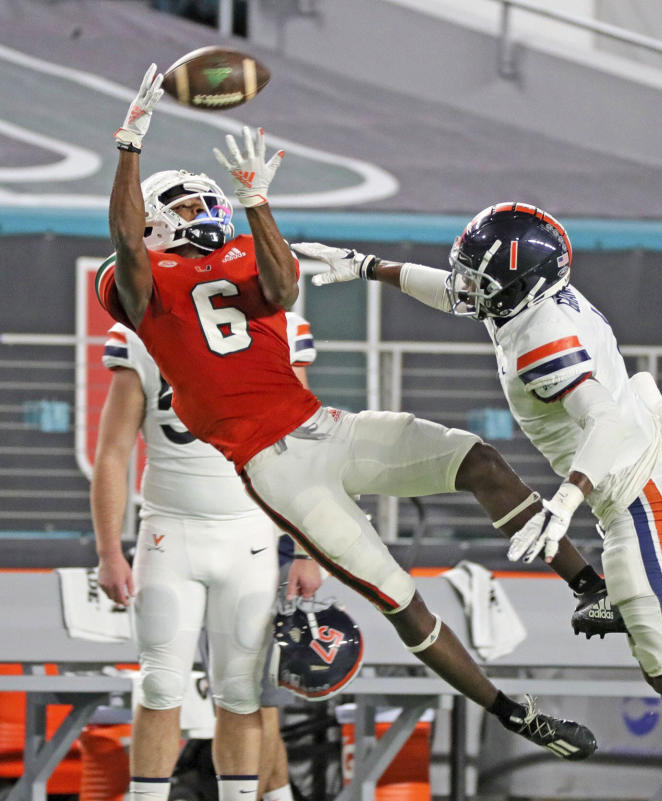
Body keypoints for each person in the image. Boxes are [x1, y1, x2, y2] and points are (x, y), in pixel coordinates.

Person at [291, 205, 662, 801]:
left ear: (520, 282)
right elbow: (452, 290)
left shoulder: (540, 335)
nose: (470, 286)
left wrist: (566, 500)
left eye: (483, 277)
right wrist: (369, 266)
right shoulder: (530, 298)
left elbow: (602, 419)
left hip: (637, 499)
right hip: (647, 486)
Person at [101, 65, 599, 765]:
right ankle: (516, 713)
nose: (201, 211)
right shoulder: (141, 285)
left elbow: (278, 288)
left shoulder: (243, 250)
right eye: (184, 208)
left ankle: (590, 586)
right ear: (154, 220)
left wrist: (256, 202)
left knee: (478, 460)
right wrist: (130, 145)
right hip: (279, 472)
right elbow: (126, 246)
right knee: (402, 598)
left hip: (325, 427)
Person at [92, 304, 324, 801]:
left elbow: (300, 444)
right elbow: (113, 450)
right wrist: (109, 550)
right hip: (169, 533)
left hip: (251, 536)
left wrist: (307, 548)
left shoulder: (275, 326)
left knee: (241, 694)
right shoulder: (140, 332)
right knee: (158, 684)